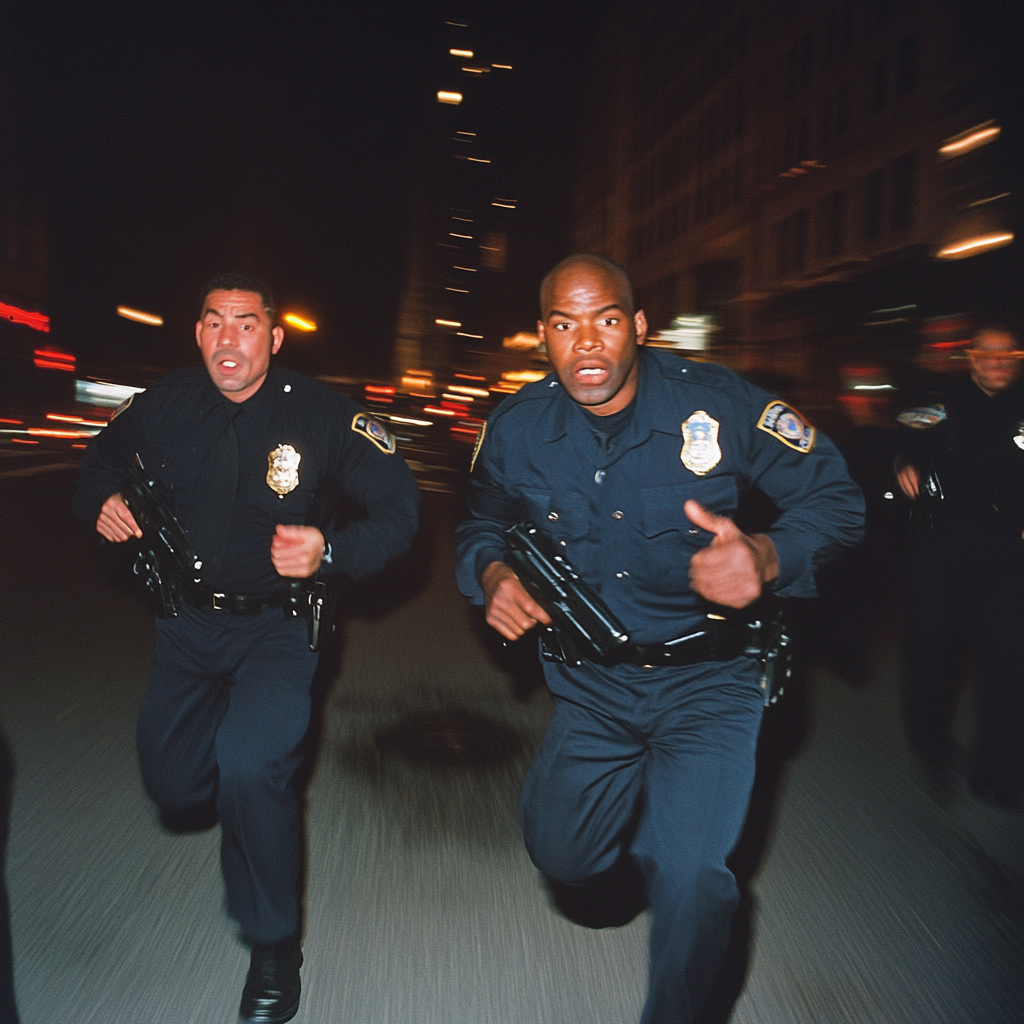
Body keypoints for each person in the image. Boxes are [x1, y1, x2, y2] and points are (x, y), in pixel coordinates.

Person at [456, 254, 864, 1023]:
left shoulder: (719, 404)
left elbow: (838, 501)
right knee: (561, 855)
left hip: (712, 679)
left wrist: (767, 557)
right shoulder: (517, 427)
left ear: (638, 326)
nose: (586, 345)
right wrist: (492, 577)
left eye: (605, 320)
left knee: (693, 878)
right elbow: (480, 521)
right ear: (542, 334)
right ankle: (645, 833)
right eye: (564, 324)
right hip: (592, 685)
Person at [75, 271, 419, 1024]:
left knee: (253, 764)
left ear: (274, 335)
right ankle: (225, 794)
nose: (229, 340)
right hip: (186, 625)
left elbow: (401, 509)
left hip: (278, 627)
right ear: (198, 333)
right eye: (215, 324)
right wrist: (99, 502)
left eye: (246, 324)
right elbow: (99, 463)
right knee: (172, 784)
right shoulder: (164, 404)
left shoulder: (324, 416)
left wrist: (330, 550)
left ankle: (272, 945)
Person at [895, 325, 1024, 809]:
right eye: (987, 354)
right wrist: (904, 462)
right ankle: (930, 746)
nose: (997, 362)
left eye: (1007, 354)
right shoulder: (941, 402)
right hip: (944, 545)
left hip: (1010, 549)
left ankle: (996, 769)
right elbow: (906, 438)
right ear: (970, 359)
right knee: (932, 654)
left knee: (1009, 663)